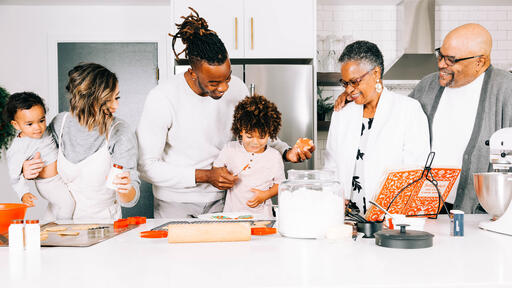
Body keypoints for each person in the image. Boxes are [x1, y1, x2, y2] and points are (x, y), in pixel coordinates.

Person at [137, 8, 314, 218]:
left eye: (227, 77)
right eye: (213, 82)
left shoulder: (237, 89)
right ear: (192, 73)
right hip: (176, 204)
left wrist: (286, 152)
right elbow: (146, 166)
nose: (223, 88)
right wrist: (205, 176)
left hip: (226, 201)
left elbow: (253, 133)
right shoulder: (162, 97)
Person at [324, 40, 430, 215]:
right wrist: (333, 197)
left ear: (376, 73)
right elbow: (331, 167)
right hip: (347, 218)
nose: (349, 90)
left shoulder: (408, 110)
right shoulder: (342, 114)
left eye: (355, 82)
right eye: (345, 83)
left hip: (391, 216)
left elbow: (416, 170)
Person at [22, 63, 140, 220]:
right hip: (57, 224)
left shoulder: (119, 131)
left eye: (117, 97)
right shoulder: (60, 124)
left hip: (102, 228)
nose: (115, 105)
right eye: (107, 100)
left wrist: (125, 188)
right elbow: (39, 159)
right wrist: (26, 168)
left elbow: (130, 200)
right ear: (85, 100)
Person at [4, 92, 75, 220]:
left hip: (60, 178)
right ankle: (63, 230)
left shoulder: (47, 130)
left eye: (41, 120)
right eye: (29, 124)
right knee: (67, 204)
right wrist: (23, 193)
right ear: (16, 125)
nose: (37, 127)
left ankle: (46, 225)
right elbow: (14, 176)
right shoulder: (18, 147)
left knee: (55, 207)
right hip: (48, 183)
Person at [213, 95, 285, 217]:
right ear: (241, 130)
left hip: (262, 217)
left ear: (270, 133)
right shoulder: (230, 149)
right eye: (249, 136)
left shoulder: (274, 156)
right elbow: (216, 170)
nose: (255, 142)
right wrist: (226, 177)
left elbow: (281, 184)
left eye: (262, 137)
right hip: (232, 215)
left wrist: (265, 195)